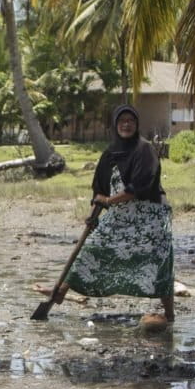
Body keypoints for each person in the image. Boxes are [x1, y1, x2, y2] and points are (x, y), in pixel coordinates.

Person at [50, 105, 175, 323]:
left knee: (159, 261)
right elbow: (99, 191)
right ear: (115, 125)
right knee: (92, 246)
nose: (126, 124)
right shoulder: (109, 154)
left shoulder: (145, 150)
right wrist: (93, 216)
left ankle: (169, 314)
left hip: (151, 215)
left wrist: (108, 201)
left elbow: (139, 187)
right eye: (122, 121)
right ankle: (60, 291)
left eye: (131, 121)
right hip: (120, 214)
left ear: (136, 125)